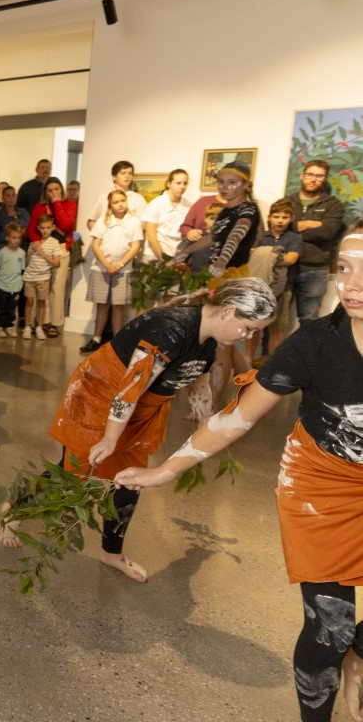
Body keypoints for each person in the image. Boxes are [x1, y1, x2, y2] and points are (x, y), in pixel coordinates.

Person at [114, 223, 363, 720]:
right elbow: (237, 417)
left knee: (348, 640)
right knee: (330, 629)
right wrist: (166, 471)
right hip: (323, 486)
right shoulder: (316, 342)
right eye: (344, 268)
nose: (350, 284)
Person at [0, 278, 276, 583]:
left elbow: (199, 385)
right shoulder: (170, 329)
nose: (247, 336)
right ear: (228, 311)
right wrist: (110, 438)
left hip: (142, 411)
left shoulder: (209, 345)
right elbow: (130, 389)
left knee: (130, 481)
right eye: (248, 328)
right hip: (99, 396)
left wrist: (205, 424)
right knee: (73, 472)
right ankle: (15, 509)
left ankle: (111, 553)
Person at [178, 161, 263, 415]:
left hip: (232, 279)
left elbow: (237, 235)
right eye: (221, 182)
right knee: (223, 341)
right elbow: (213, 237)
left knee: (220, 344)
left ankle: (212, 406)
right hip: (220, 279)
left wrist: (222, 261)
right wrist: (184, 252)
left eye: (232, 183)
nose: (225, 187)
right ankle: (252, 386)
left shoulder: (248, 209)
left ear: (246, 185)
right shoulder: (226, 210)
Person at [81, 190, 144, 354]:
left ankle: (117, 341)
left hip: (123, 271)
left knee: (118, 306)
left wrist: (119, 265)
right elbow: (96, 245)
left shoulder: (134, 221)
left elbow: (135, 246)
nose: (120, 204)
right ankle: (96, 339)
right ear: (110, 205)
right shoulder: (103, 220)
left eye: (122, 200)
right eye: (116, 202)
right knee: (102, 305)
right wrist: (107, 264)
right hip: (102, 269)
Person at [286, 159, 345, 325]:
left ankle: (308, 345)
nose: (313, 179)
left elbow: (327, 232)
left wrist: (293, 229)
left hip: (315, 269)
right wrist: (309, 224)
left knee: (310, 320)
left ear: (325, 178)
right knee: (275, 317)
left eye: (319, 176)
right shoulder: (287, 201)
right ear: (302, 175)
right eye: (309, 174)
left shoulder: (333, 204)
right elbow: (278, 227)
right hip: (284, 267)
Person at [247, 199, 302, 364]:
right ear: (269, 217)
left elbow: (291, 259)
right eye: (276, 216)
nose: (280, 221)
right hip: (257, 289)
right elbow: (250, 257)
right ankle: (246, 364)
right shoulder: (260, 237)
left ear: (292, 218)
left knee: (276, 328)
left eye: (285, 217)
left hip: (284, 289)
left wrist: (263, 255)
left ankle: (274, 365)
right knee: (253, 326)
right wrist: (276, 255)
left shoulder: (295, 238)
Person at [27, 176, 77, 338]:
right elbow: (31, 228)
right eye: (50, 190)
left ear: (61, 190)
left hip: (60, 249)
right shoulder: (39, 207)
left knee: (57, 287)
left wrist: (56, 203)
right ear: (45, 192)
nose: (53, 192)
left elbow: (67, 224)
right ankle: (42, 322)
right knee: (42, 285)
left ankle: (55, 323)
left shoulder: (69, 204)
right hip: (42, 249)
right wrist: (36, 243)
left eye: (56, 189)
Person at [23, 214, 63, 339]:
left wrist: (42, 252)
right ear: (38, 228)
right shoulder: (34, 242)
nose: (45, 230)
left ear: (53, 228)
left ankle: (39, 327)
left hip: (43, 278)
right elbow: (26, 262)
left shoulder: (54, 243)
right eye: (42, 228)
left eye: (48, 228)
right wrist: (32, 251)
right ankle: (27, 327)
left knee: (41, 302)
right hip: (29, 277)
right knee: (29, 301)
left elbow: (57, 264)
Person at [141, 169, 192, 262]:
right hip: (154, 255)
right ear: (169, 184)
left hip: (177, 256)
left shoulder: (189, 206)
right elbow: (151, 235)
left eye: (185, 183)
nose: (182, 187)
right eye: (178, 183)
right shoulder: (156, 203)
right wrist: (163, 258)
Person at [88, 160, 147, 230]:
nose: (127, 176)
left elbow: (144, 223)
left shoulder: (138, 198)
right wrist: (99, 234)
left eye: (130, 173)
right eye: (123, 173)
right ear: (114, 177)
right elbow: (91, 220)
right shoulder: (103, 197)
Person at [0, 224, 26, 337]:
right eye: (13, 237)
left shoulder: (22, 253)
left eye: (19, 238)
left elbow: (21, 269)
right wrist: (1, 281)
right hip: (2, 286)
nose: (16, 240)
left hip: (15, 286)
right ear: (7, 237)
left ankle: (9, 326)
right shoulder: (2, 253)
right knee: (0, 307)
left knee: (11, 308)